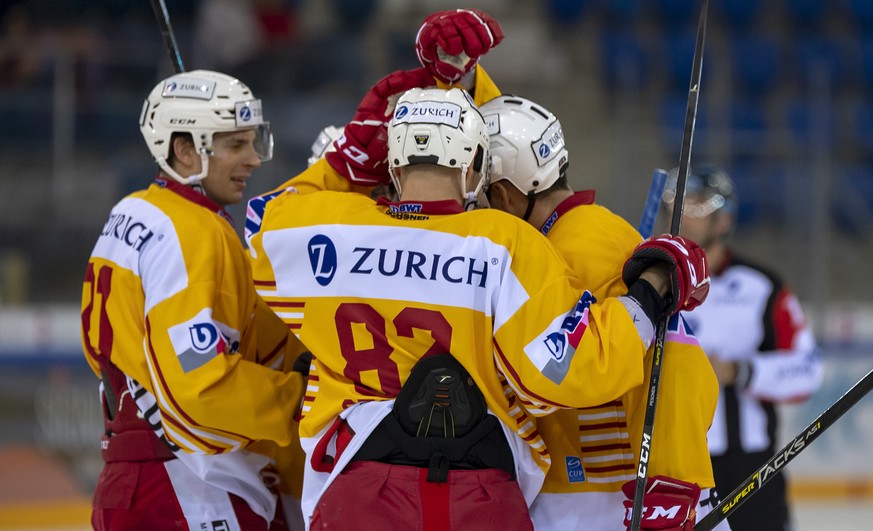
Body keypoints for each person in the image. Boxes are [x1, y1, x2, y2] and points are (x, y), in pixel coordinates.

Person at [247, 86, 710, 530]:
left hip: (354, 483)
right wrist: (651, 291)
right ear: (473, 168)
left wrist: (341, 161)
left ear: (391, 165)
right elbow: (565, 370)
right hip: (477, 491)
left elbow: (258, 221)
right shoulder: (504, 243)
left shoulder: (329, 227)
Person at [480, 94, 722, 530]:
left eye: (481, 197)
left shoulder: (583, 246)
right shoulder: (572, 237)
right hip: (601, 493)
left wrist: (668, 488)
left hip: (610, 497)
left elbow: (675, 358)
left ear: (502, 193)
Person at [81, 69, 310, 530]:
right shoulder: (194, 233)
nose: (253, 160)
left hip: (127, 481)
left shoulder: (133, 211)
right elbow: (200, 385)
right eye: (234, 145)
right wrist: (300, 397)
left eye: (253, 142)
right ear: (184, 150)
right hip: (188, 489)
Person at [662, 164, 824, 531]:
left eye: (698, 204)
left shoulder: (761, 287)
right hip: (672, 466)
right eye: (678, 203)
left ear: (723, 220)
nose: (684, 213)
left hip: (748, 469)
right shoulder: (648, 284)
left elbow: (808, 369)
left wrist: (741, 371)